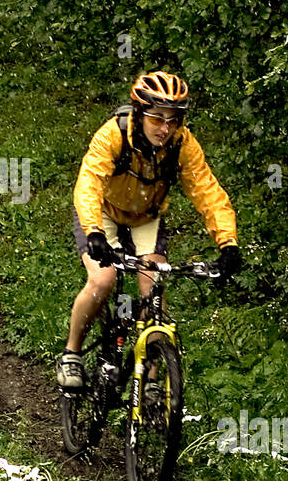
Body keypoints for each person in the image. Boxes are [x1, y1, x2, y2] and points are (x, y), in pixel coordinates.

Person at [55, 70, 243, 392]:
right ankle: (71, 353)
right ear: (141, 113)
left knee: (153, 290)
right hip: (103, 213)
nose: (165, 128)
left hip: (145, 217)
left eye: (173, 119)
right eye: (157, 118)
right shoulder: (114, 135)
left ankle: (151, 380)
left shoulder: (181, 143)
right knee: (103, 279)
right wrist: (94, 233)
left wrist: (228, 243)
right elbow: (88, 184)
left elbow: (207, 191)